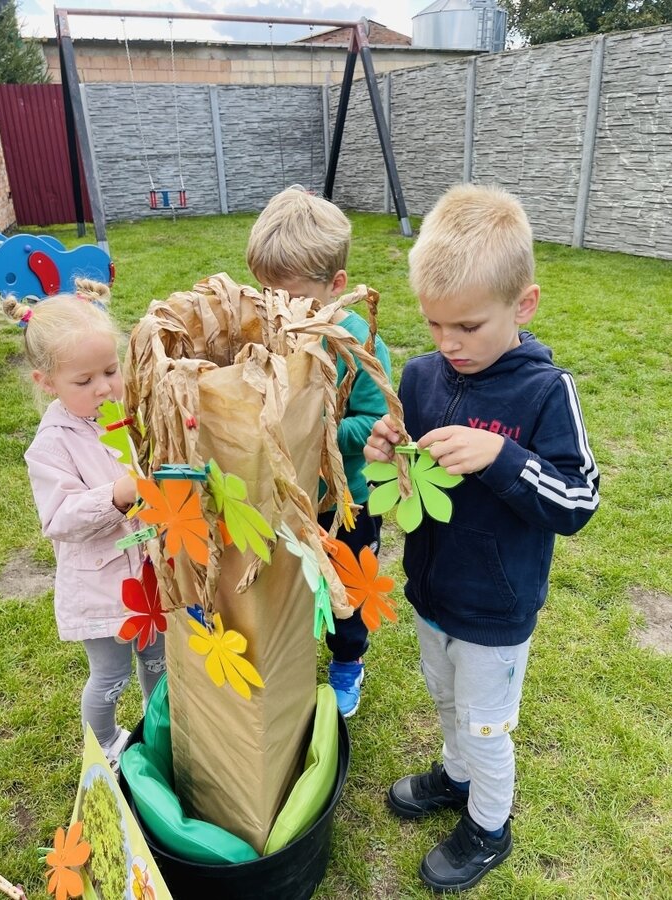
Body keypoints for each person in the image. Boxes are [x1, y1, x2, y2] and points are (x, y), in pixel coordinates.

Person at [364, 183, 599, 892]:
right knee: (446, 702)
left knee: (487, 725)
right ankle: (456, 775)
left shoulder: (545, 392)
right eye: (434, 323)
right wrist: (386, 448)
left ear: (522, 305)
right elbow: (408, 467)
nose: (448, 343)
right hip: (433, 593)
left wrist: (504, 457)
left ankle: (489, 826)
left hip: (496, 611)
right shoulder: (420, 376)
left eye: (467, 326)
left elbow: (578, 499)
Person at [3, 280, 166, 770]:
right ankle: (106, 744)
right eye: (84, 380)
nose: (103, 387)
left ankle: (161, 727)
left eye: (111, 371)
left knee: (159, 662)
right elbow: (60, 519)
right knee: (111, 677)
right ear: (47, 382)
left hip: (148, 576)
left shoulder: (122, 416)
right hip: (101, 589)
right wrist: (115, 496)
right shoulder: (51, 444)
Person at [246, 185, 393, 717]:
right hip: (288, 496)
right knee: (287, 581)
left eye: (292, 297)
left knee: (346, 587)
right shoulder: (272, 331)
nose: (279, 309)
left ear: (336, 286)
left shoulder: (358, 345)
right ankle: (289, 654)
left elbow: (374, 421)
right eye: (266, 293)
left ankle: (348, 661)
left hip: (344, 502)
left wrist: (315, 429)